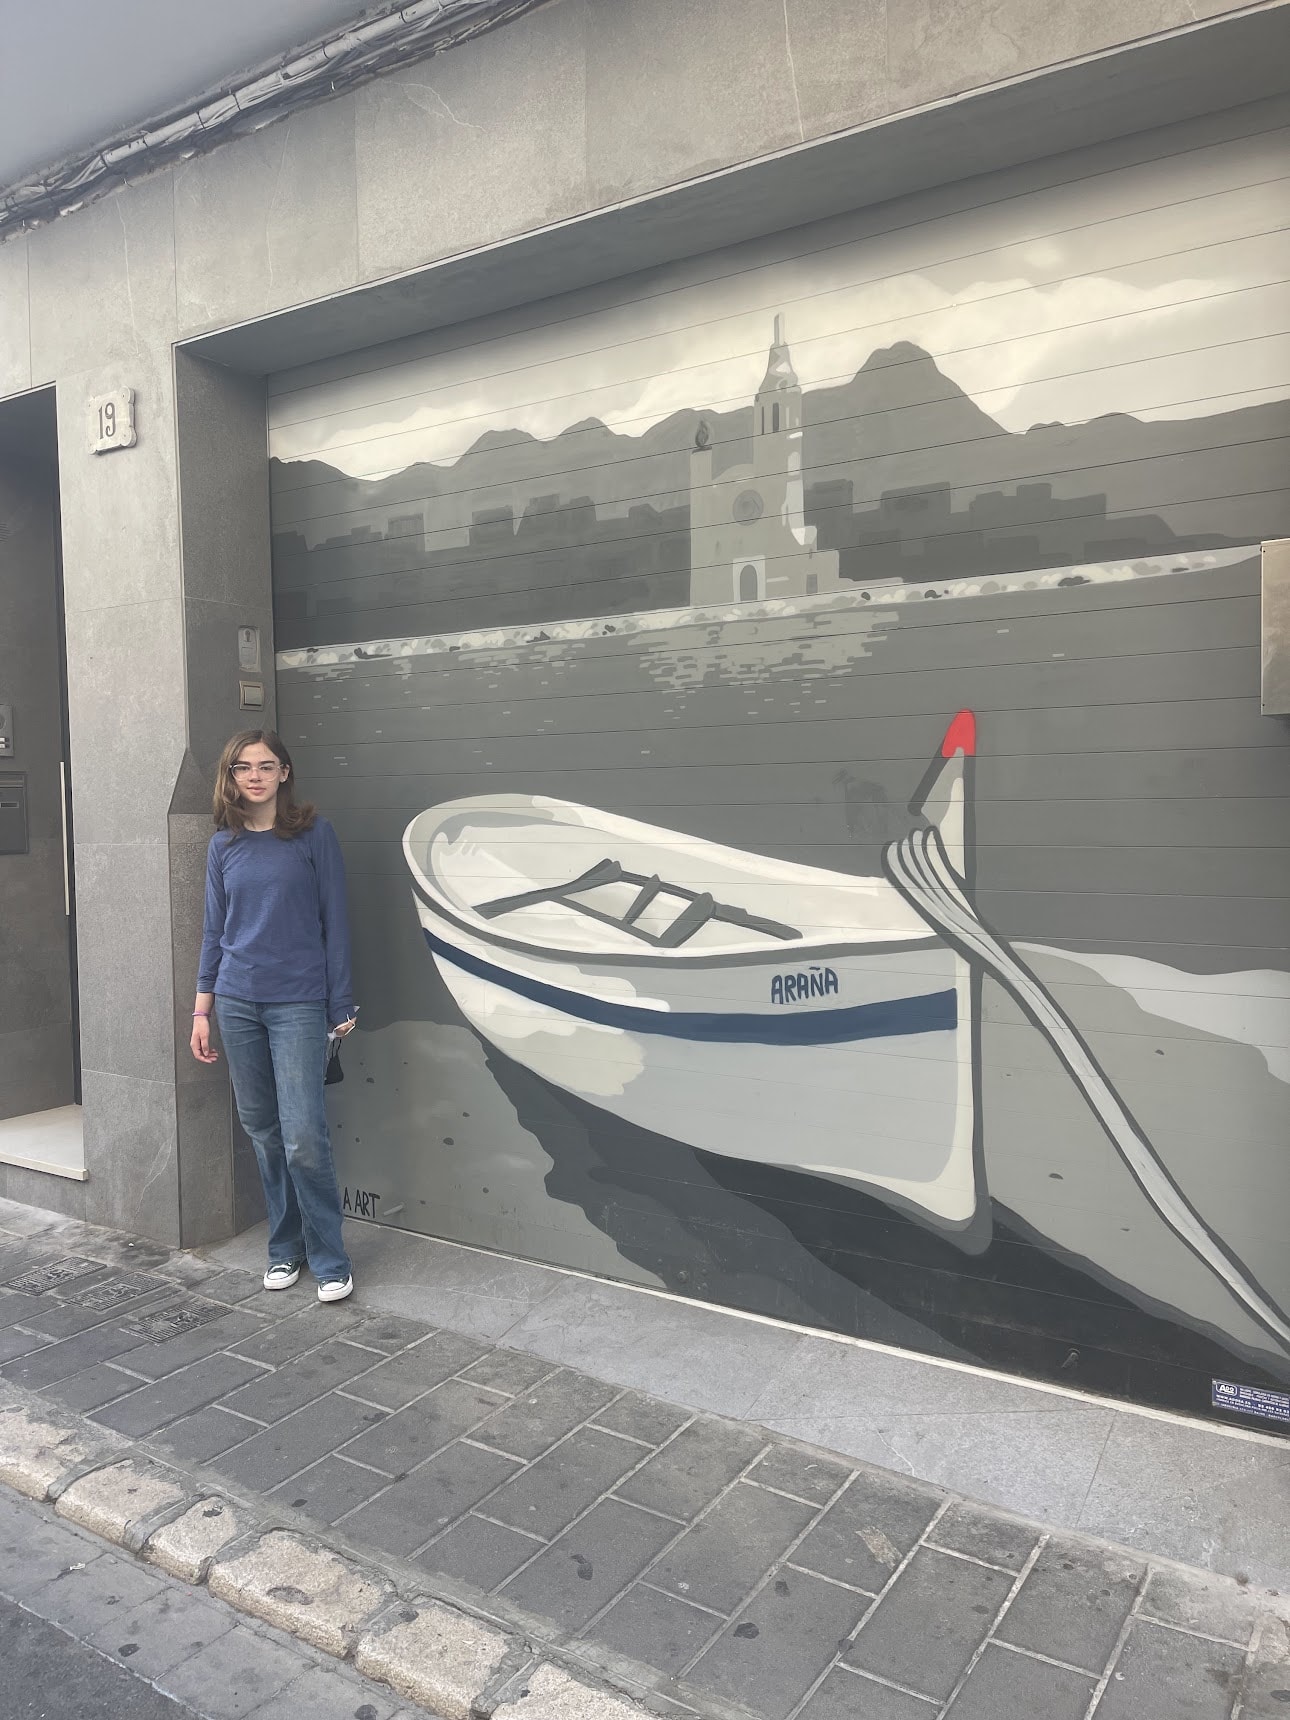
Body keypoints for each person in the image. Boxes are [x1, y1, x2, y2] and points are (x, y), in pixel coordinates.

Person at [191, 729, 357, 1302]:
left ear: (285, 773)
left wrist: (341, 1003)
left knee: (304, 1138)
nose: (254, 775)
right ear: (231, 777)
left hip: (298, 1003)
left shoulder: (313, 835)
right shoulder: (224, 845)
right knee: (263, 1132)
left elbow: (335, 921)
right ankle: (284, 1248)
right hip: (236, 1003)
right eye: (243, 767)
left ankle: (330, 1257)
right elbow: (215, 932)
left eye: (266, 766)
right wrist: (201, 1009)